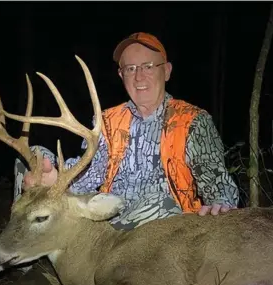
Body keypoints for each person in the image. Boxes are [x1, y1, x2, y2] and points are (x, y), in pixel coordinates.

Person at [16, 32, 239, 232]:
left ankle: (104, 251)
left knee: (161, 204)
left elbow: (216, 181)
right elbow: (93, 173)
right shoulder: (107, 121)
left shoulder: (193, 121)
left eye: (148, 66)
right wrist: (56, 178)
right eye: (130, 69)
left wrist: (221, 202)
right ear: (122, 76)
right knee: (29, 158)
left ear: (167, 71)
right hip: (107, 213)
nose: (139, 77)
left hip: (167, 225)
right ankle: (22, 245)